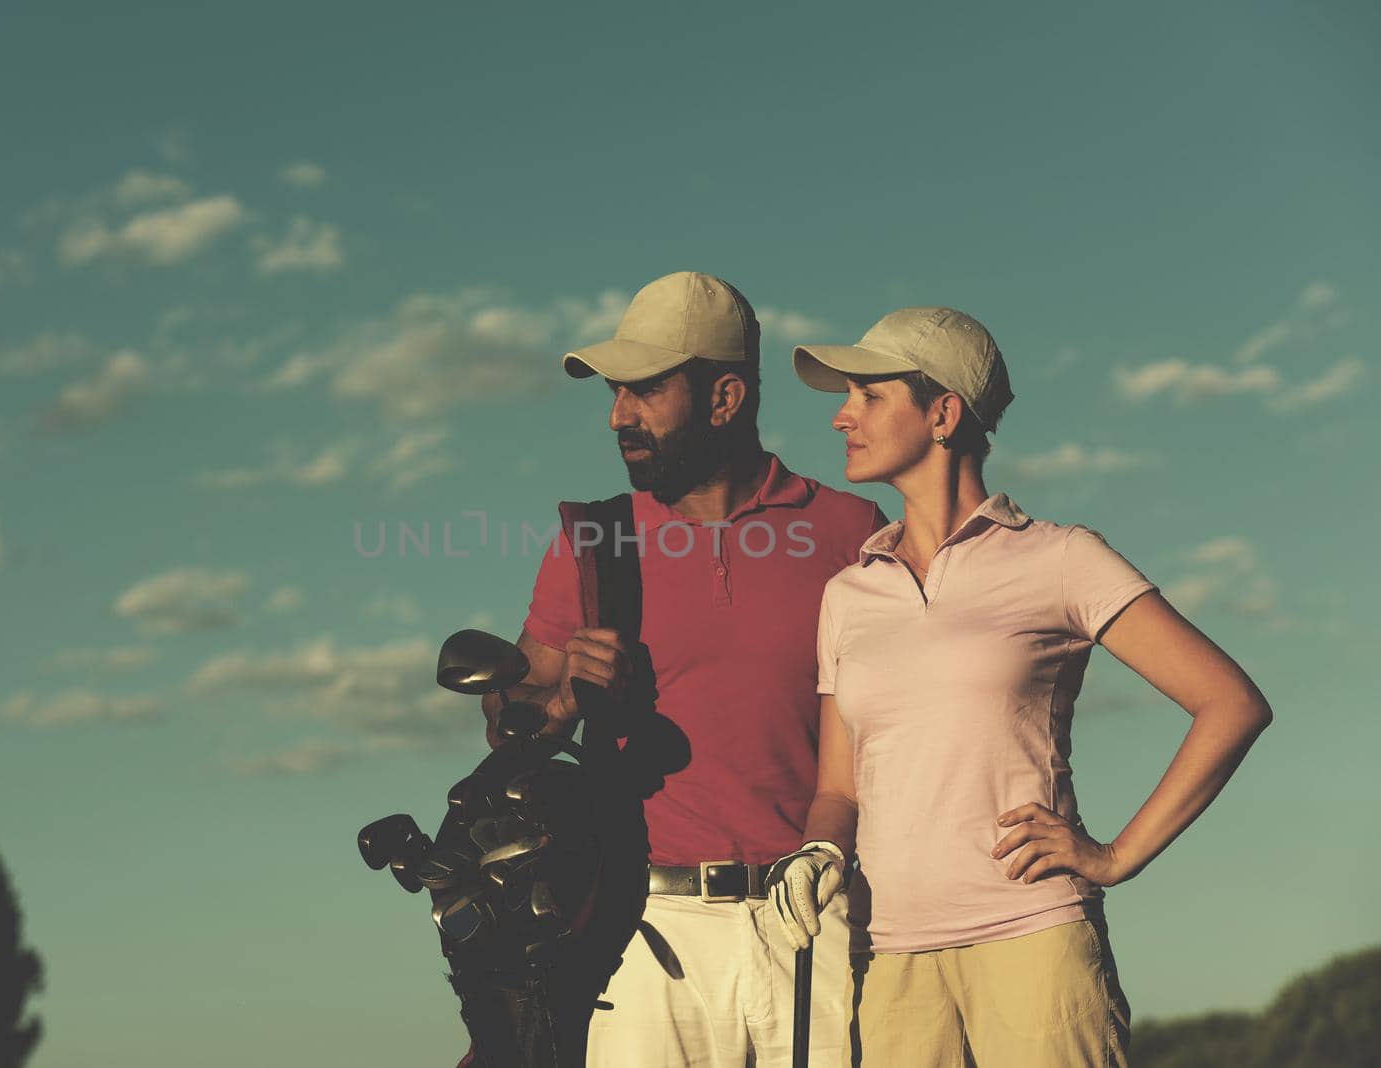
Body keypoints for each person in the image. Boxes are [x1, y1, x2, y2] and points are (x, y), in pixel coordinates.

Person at [766, 306, 1273, 1067]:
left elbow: (1231, 704)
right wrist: (817, 853)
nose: (843, 417)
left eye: (870, 397)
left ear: (943, 414)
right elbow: (840, 788)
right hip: (889, 957)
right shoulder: (849, 594)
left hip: (1033, 942)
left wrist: (1115, 856)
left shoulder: (1061, 559)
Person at [485, 271, 885, 1066]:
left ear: (725, 398)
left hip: (814, 920)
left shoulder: (853, 532)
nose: (617, 416)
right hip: (643, 934)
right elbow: (509, 719)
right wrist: (563, 698)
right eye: (614, 393)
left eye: (644, 391)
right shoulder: (595, 543)